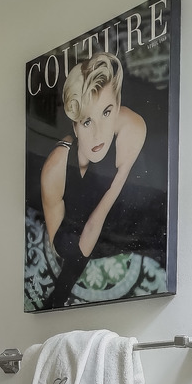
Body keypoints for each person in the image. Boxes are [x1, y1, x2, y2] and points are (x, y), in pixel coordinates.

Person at [38, 52, 156, 310]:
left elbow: (112, 194)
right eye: (87, 121)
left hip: (118, 208)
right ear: (75, 125)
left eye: (106, 112)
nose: (99, 132)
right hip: (66, 231)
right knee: (70, 248)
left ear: (118, 104)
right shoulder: (55, 168)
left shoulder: (132, 127)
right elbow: (68, 247)